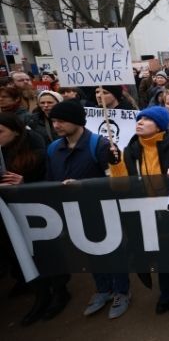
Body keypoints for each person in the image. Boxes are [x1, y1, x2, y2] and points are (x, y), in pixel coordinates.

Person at [108, 106, 169, 314]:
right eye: (139, 118)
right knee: (160, 253)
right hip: (146, 212)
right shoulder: (129, 150)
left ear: (160, 125)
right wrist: (116, 164)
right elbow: (120, 187)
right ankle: (166, 293)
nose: (140, 122)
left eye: (147, 119)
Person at [46, 101, 126, 319]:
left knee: (112, 251)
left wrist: (86, 185)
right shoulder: (53, 148)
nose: (56, 125)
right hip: (73, 211)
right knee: (89, 251)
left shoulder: (99, 145)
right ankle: (103, 289)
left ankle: (121, 291)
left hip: (102, 209)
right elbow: (50, 180)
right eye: (53, 121)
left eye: (61, 120)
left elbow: (113, 181)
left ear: (76, 121)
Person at [0, 113, 47, 325]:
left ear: (16, 131)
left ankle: (53, 293)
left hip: (37, 214)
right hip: (7, 215)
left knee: (41, 251)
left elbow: (51, 178)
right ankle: (27, 283)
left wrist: (25, 181)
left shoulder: (35, 149)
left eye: (1, 132)